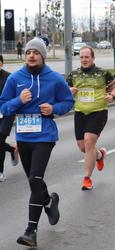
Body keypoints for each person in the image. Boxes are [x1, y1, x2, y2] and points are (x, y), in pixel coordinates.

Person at [0, 37, 74, 247]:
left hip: (45, 136)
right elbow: (3, 107)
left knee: (34, 179)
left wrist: (54, 109)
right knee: (35, 181)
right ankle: (49, 201)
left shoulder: (54, 78)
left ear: (42, 55)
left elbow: (68, 102)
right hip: (23, 137)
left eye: (36, 52)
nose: (31, 55)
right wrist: (18, 101)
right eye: (28, 52)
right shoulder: (15, 79)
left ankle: (30, 231)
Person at [66, 45, 115, 190]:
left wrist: (112, 95)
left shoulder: (103, 73)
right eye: (81, 57)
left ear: (93, 58)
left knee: (89, 141)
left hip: (98, 112)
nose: (84, 59)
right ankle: (100, 155)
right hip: (80, 113)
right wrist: (69, 90)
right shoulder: (73, 75)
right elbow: (64, 91)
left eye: (87, 57)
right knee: (83, 147)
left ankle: (87, 178)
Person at [0, 55, 19, 182]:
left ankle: (0, 171)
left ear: (1, 63)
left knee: (0, 137)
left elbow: (15, 96)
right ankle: (12, 149)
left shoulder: (9, 77)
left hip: (7, 113)